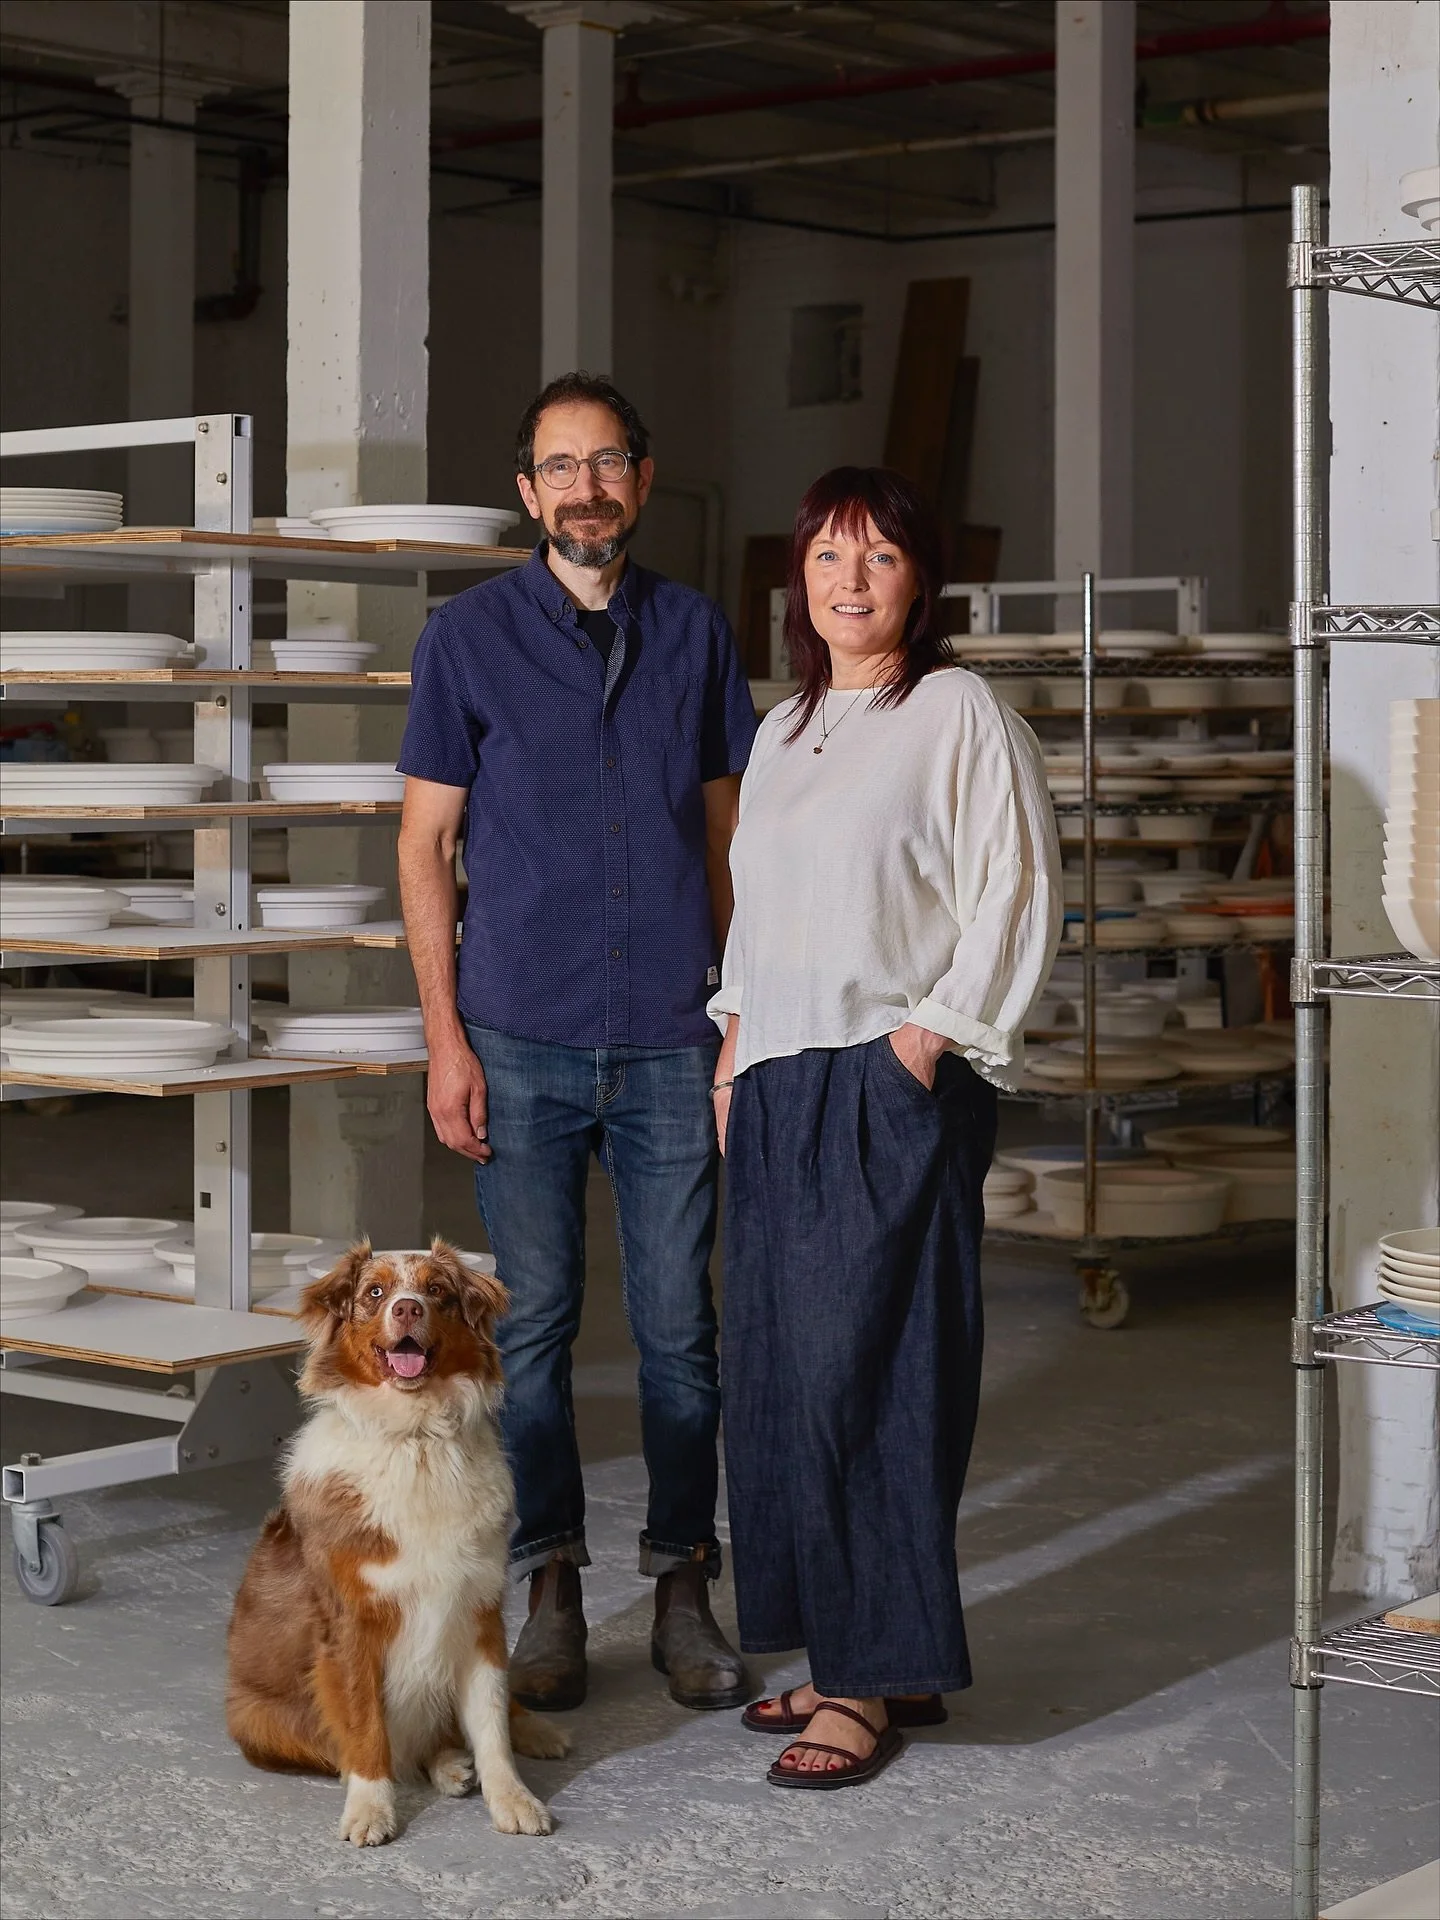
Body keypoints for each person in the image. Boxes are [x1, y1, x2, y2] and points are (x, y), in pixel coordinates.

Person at [397, 372, 758, 1715]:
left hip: (673, 1032)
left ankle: (681, 1587)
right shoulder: (468, 640)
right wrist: (445, 1039)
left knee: (681, 1332)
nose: (587, 488)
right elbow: (424, 844)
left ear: (643, 480)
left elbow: (731, 842)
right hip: (522, 1032)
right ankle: (551, 1585)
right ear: (527, 489)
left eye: (609, 462)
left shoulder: (699, 634)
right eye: (562, 466)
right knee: (535, 1333)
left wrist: (742, 1017)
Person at [708, 466, 1062, 1789]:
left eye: (878, 559)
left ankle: (860, 1684)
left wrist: (930, 1039)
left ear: (923, 576)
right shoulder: (788, 723)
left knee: (879, 1375)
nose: (850, 584)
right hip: (781, 1080)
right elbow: (758, 904)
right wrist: (737, 1044)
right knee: (783, 1381)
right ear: (798, 580)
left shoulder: (957, 711)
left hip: (884, 1076)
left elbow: (1013, 887)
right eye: (826, 561)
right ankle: (866, 1648)